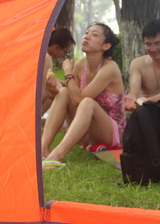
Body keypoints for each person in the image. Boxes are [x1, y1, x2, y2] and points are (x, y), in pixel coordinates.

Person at [41, 23, 125, 169]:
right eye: (86, 32)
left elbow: (79, 100)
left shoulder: (110, 68)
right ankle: (43, 149)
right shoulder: (80, 65)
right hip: (86, 130)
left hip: (111, 134)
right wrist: (54, 88)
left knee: (87, 102)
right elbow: (71, 95)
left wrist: (68, 72)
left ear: (105, 46)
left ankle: (57, 156)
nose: (87, 36)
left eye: (94, 34)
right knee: (65, 92)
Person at [42, 27, 75, 114]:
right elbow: (42, 90)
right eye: (65, 52)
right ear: (56, 47)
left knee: (60, 87)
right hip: (29, 105)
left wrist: (62, 83)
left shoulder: (40, 52)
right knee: (60, 92)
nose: (63, 56)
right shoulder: (46, 58)